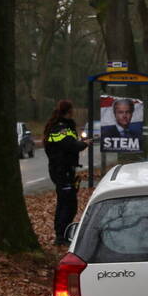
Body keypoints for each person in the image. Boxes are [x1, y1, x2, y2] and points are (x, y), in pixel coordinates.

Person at [44, 99, 88, 246]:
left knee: (69, 203)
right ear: (68, 111)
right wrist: (84, 144)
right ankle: (61, 236)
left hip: (66, 170)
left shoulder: (65, 126)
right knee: (66, 204)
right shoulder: (60, 128)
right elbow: (70, 145)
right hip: (61, 170)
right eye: (72, 110)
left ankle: (63, 233)